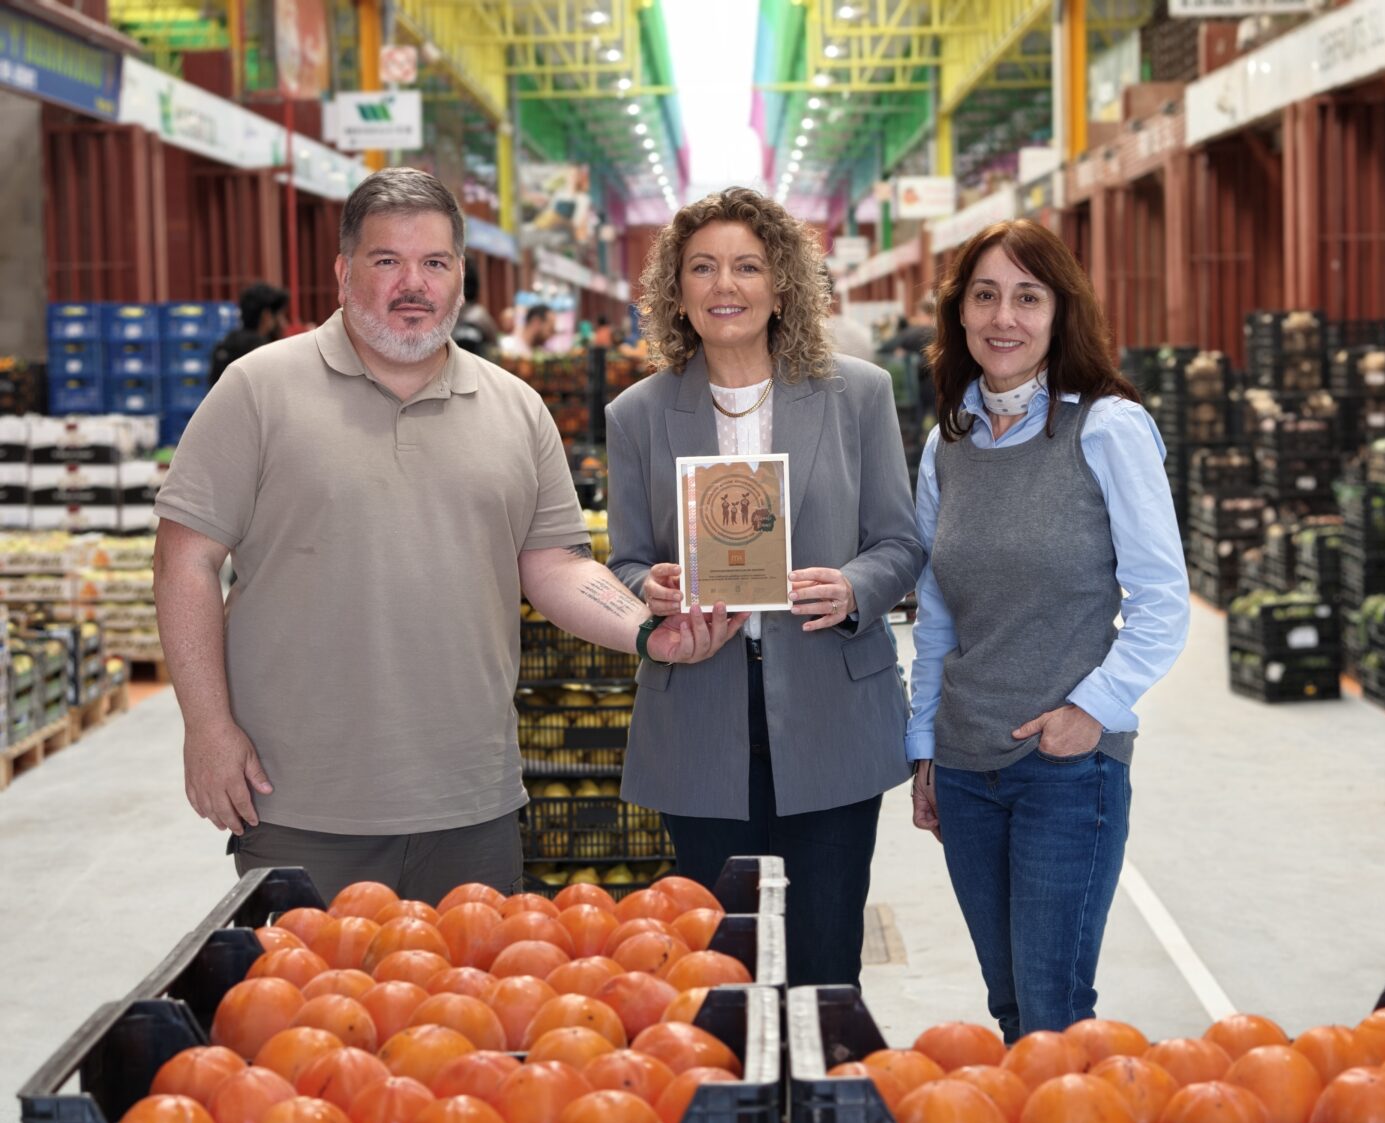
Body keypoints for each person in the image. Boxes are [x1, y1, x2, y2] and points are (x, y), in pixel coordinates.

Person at [153, 167, 740, 906]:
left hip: (472, 801)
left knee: (474, 984)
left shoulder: (516, 409)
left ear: (459, 276)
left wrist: (650, 630)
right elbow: (185, 561)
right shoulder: (257, 390)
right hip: (300, 801)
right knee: (309, 986)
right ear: (343, 272)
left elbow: (556, 565)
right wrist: (207, 728)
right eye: (387, 260)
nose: (414, 284)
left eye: (434, 262)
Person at [604, 186, 924, 988]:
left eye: (747, 267)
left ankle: (813, 1072)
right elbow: (625, 562)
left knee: (826, 960)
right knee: (720, 966)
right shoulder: (637, 414)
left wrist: (851, 588)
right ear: (676, 292)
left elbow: (900, 542)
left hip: (830, 707)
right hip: (700, 712)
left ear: (782, 285)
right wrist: (654, 588)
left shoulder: (858, 394)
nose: (726, 285)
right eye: (702, 268)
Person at [906, 219, 1188, 1041]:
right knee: (1011, 1009)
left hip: (1066, 769)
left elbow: (1163, 600)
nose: (1005, 318)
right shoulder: (947, 445)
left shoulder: (1107, 428)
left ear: (1061, 312)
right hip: (965, 767)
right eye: (985, 296)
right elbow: (937, 611)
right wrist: (924, 745)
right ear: (960, 314)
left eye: (1028, 298)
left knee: (1053, 1013)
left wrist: (1092, 711)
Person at [208, 282, 289, 386]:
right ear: (266, 316)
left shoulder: (226, 342)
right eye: (280, 315)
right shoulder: (264, 351)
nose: (283, 322)